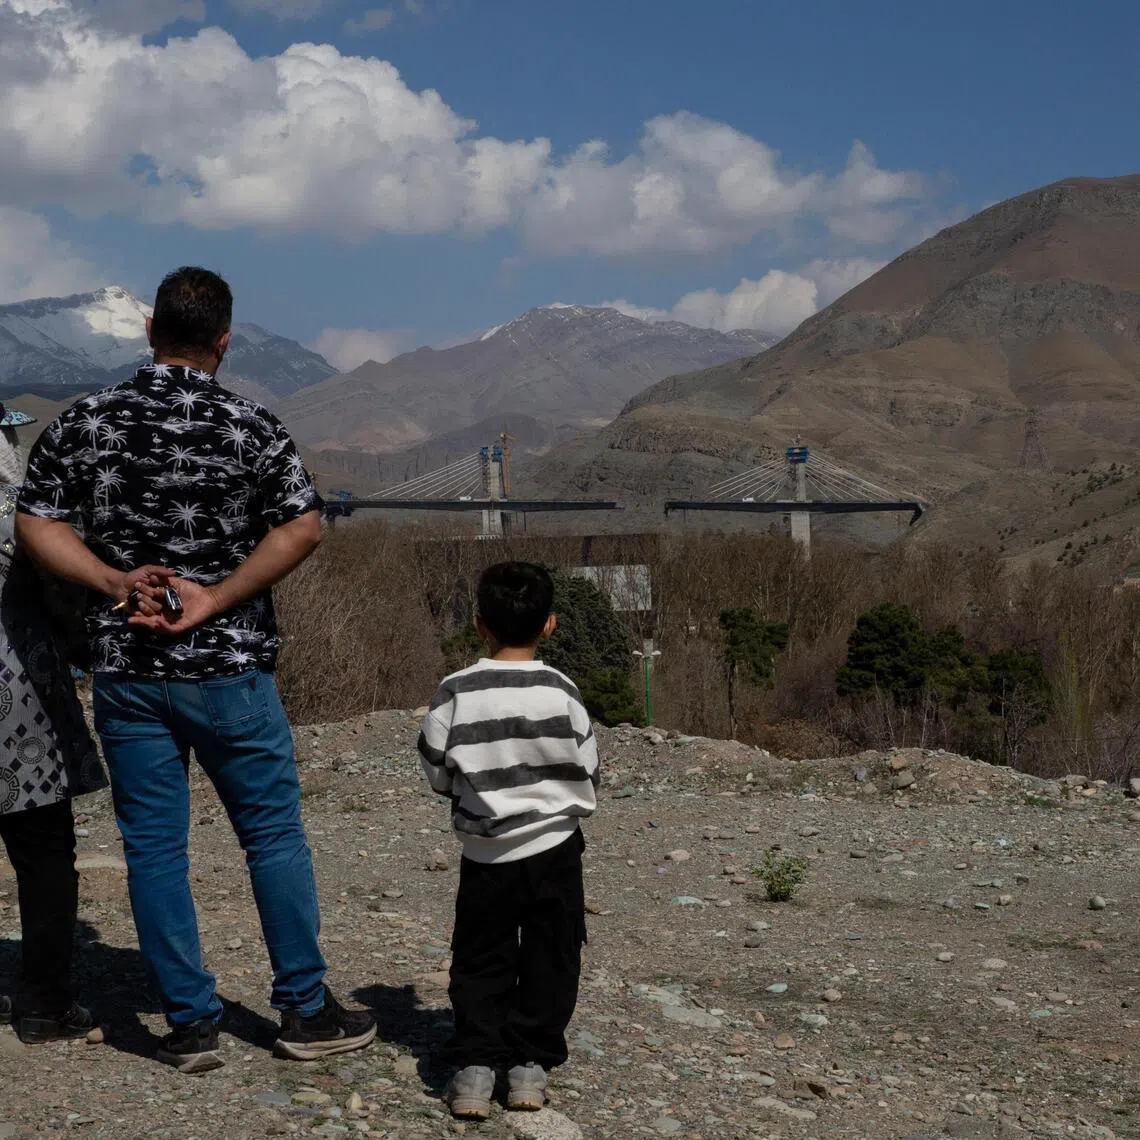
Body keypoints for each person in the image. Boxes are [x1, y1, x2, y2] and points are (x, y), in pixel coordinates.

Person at [16, 267, 375, 1074]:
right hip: (231, 670)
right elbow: (305, 528)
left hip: (127, 671)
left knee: (153, 850)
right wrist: (217, 597)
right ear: (223, 339)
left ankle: (188, 1024)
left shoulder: (86, 420)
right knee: (272, 838)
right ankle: (304, 1010)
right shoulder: (251, 425)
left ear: (148, 331)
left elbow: (35, 519)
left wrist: (111, 582)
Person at [418, 562, 599, 1121]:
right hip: (556, 845)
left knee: (480, 955)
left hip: (486, 852)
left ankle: (475, 1066)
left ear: (479, 624)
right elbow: (588, 765)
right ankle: (530, 1065)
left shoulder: (457, 690)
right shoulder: (562, 690)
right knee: (552, 953)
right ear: (550, 624)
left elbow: (436, 768)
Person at [0, 402, 106, 1044]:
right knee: (42, 856)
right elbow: (64, 596)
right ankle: (43, 1003)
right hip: (19, 710)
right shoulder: (23, 516)